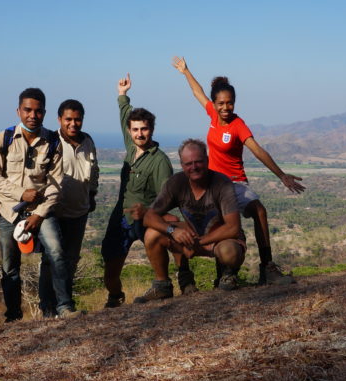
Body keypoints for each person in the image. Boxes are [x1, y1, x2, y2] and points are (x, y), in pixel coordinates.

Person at [172, 56, 304, 285]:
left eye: (230, 102)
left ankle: (267, 268)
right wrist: (186, 71)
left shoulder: (238, 125)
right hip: (214, 184)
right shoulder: (213, 115)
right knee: (221, 224)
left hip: (236, 183)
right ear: (214, 104)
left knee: (259, 211)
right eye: (221, 103)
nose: (225, 107)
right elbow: (198, 92)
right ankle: (225, 276)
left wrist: (281, 175)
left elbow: (257, 150)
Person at [0, 88, 75, 320]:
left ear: (44, 112)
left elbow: (56, 184)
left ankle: (63, 307)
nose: (32, 115)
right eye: (27, 110)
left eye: (37, 111)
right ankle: (13, 315)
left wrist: (40, 214)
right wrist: (20, 193)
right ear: (18, 111)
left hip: (41, 210)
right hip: (8, 211)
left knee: (56, 252)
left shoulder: (53, 141)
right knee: (10, 266)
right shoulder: (3, 138)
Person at [136, 139, 245, 302]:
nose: (194, 167)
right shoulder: (176, 183)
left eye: (198, 162)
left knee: (230, 253)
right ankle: (163, 285)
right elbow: (149, 216)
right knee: (152, 234)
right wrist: (172, 230)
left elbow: (233, 227)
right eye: (188, 164)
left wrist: (200, 242)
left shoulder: (222, 183)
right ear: (182, 165)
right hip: (192, 235)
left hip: (219, 238)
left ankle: (228, 276)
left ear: (207, 160)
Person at [100, 73, 175, 308]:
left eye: (144, 129)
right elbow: (125, 116)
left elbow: (167, 197)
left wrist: (151, 215)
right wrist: (122, 95)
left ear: (151, 129)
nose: (139, 134)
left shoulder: (160, 161)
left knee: (159, 245)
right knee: (110, 269)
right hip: (120, 217)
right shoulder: (131, 147)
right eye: (135, 130)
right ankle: (115, 297)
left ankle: (164, 286)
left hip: (145, 218)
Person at [52, 99, 100, 311]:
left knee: (71, 260)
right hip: (54, 210)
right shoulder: (51, 141)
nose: (73, 124)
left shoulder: (88, 141)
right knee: (53, 258)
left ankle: (65, 305)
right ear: (59, 119)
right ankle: (50, 306)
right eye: (68, 119)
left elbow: (94, 170)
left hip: (79, 211)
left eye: (77, 119)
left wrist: (92, 195)